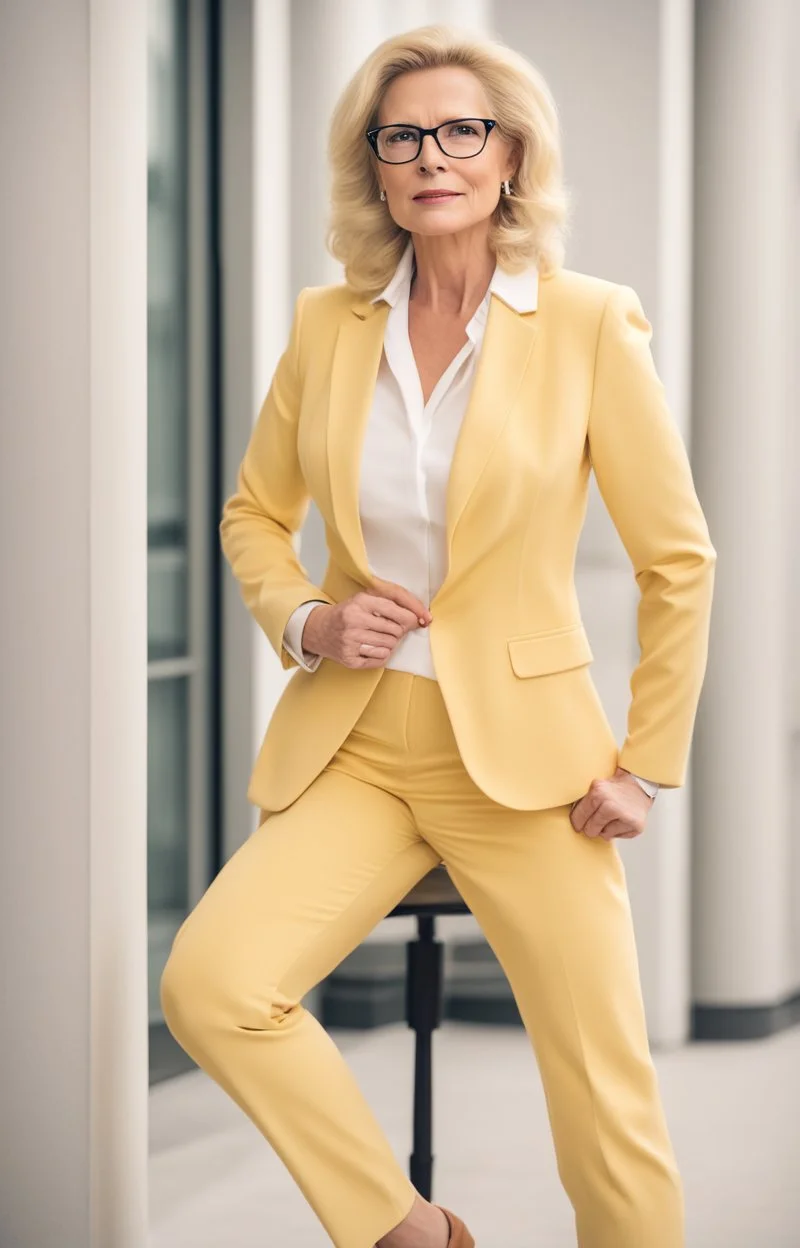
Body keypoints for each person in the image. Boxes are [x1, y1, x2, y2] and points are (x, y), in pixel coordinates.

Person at [160, 22, 716, 1248]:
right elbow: (255, 513)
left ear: (510, 155)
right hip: (355, 744)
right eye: (400, 135)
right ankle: (408, 1234)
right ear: (374, 164)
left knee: (600, 1093)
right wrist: (307, 615)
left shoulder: (585, 323)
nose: (431, 156)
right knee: (211, 985)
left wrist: (647, 763)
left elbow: (676, 559)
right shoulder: (327, 326)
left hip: (532, 768)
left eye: (460, 129)